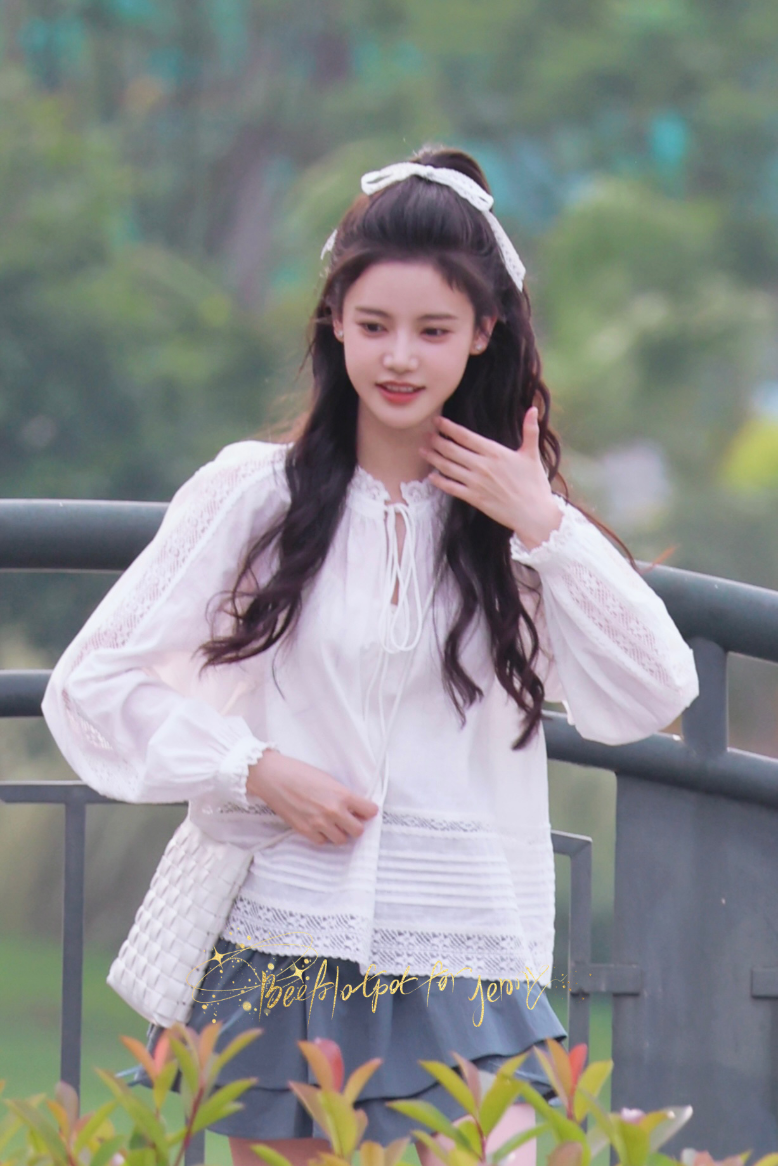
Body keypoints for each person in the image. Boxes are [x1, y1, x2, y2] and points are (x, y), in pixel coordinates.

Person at [41, 144, 700, 1166]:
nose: (400, 357)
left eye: (433, 330)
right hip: (285, 936)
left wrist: (544, 523)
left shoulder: (514, 531)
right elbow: (92, 685)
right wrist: (253, 767)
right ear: (335, 324)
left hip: (464, 946)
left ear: (483, 332)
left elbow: (655, 691)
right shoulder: (256, 497)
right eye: (374, 324)